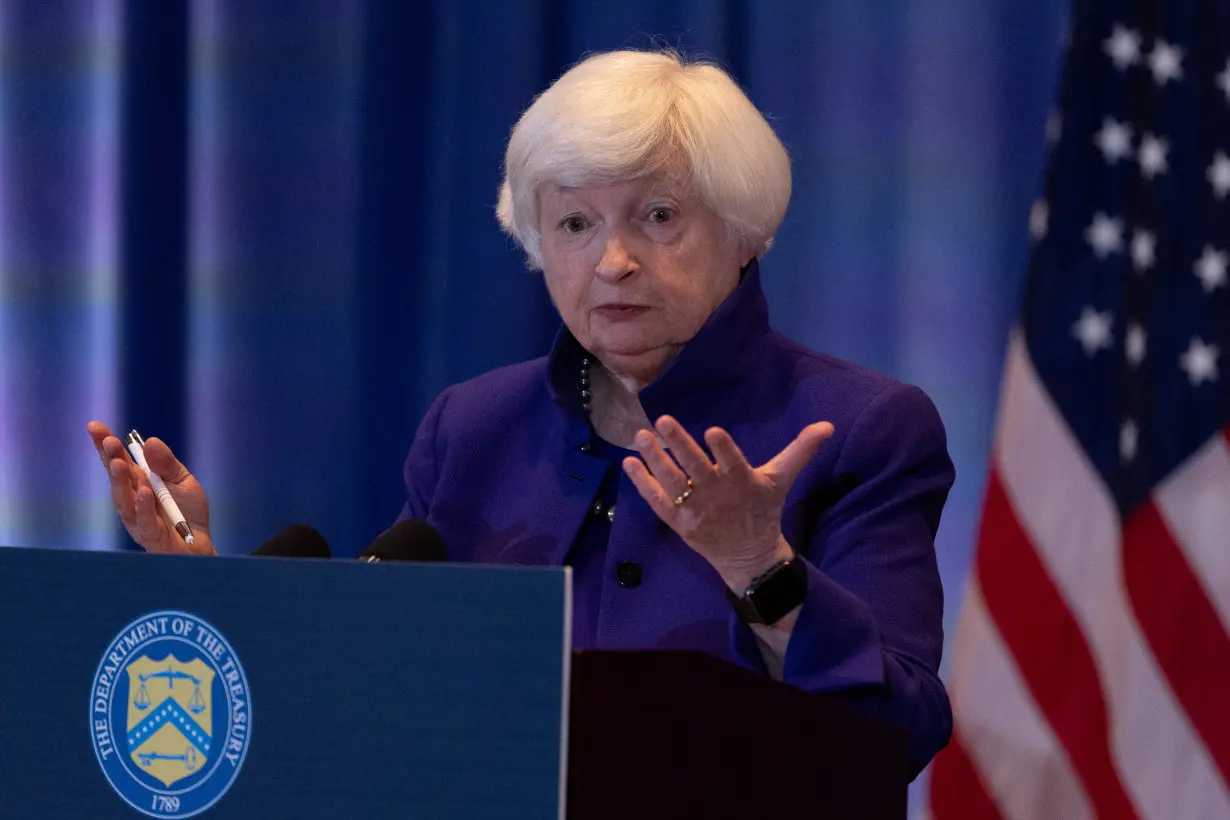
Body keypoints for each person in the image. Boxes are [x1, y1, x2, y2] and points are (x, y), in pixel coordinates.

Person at [88, 49, 955, 775]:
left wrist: (759, 566)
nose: (613, 261)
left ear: (747, 232)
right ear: (538, 246)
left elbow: (900, 733)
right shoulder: (472, 427)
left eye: (657, 216)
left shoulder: (859, 431)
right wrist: (207, 592)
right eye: (574, 224)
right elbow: (370, 690)